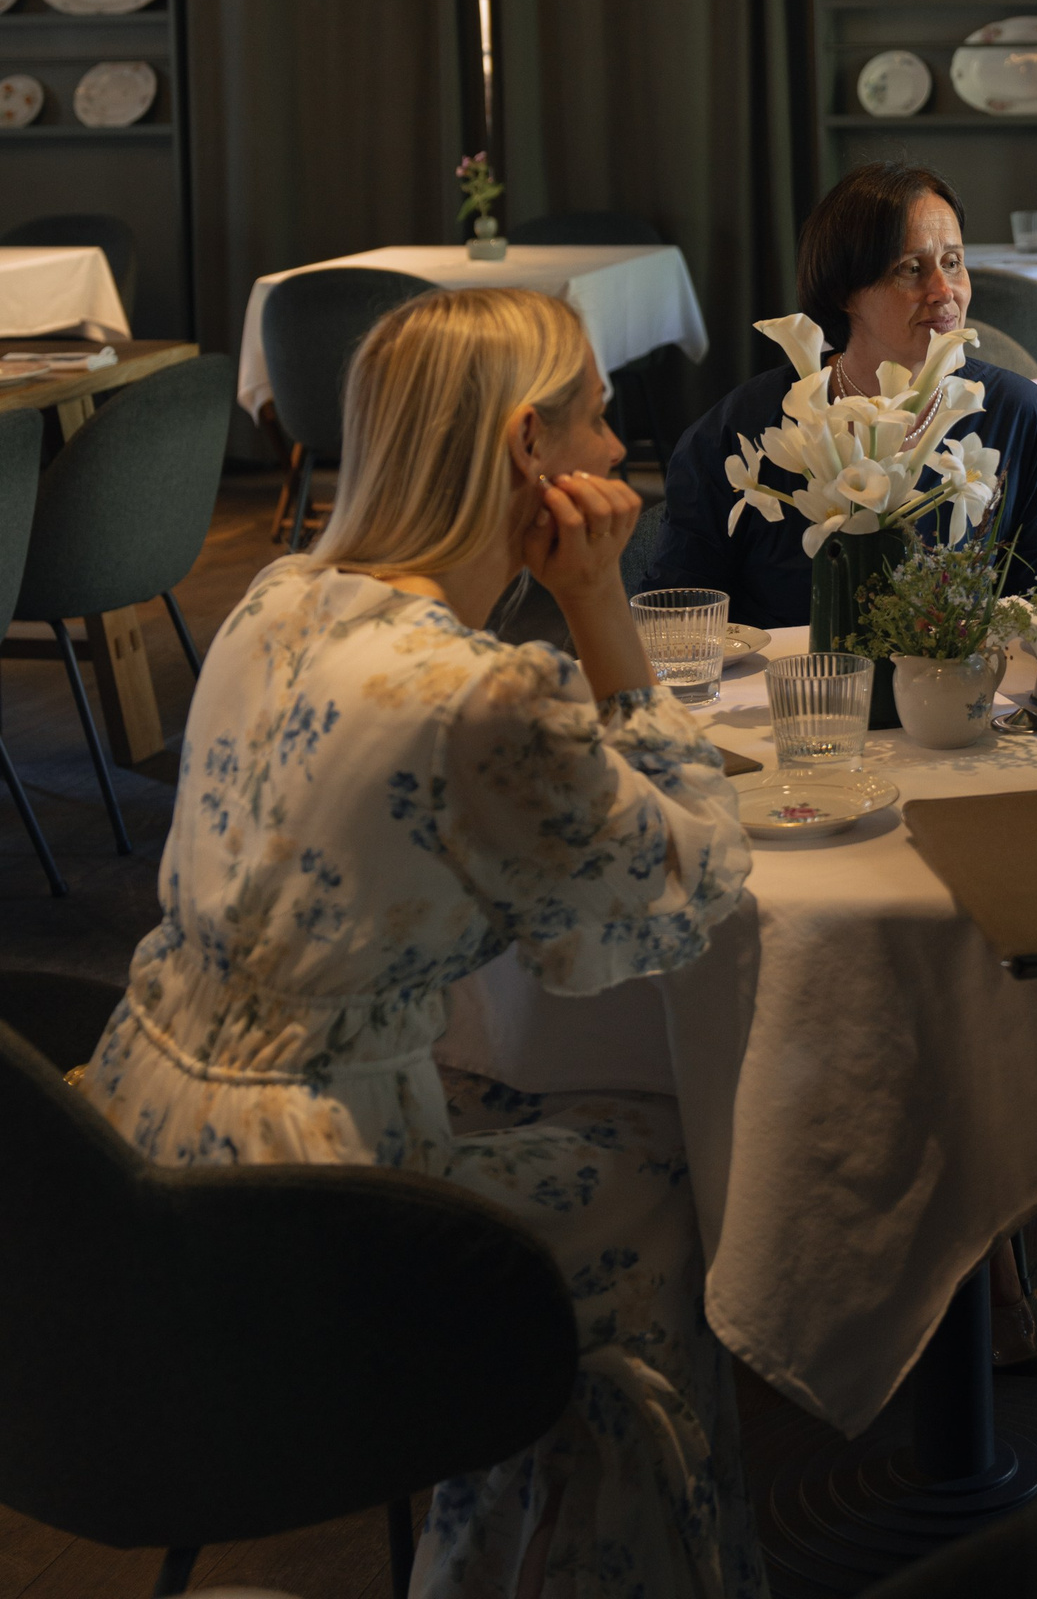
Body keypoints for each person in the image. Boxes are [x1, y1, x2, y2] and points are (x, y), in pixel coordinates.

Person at [80, 288, 761, 1599]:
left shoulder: (276, 597)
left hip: (129, 1163)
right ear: (530, 448)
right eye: (598, 417)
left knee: (528, 1095)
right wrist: (600, 607)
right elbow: (689, 886)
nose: (618, 449)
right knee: (662, 1173)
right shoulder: (486, 699)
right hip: (315, 1216)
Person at [648, 161, 1037, 628]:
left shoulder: (1017, 413)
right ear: (843, 292)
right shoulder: (740, 428)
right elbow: (676, 619)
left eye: (953, 263)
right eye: (910, 268)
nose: (943, 291)